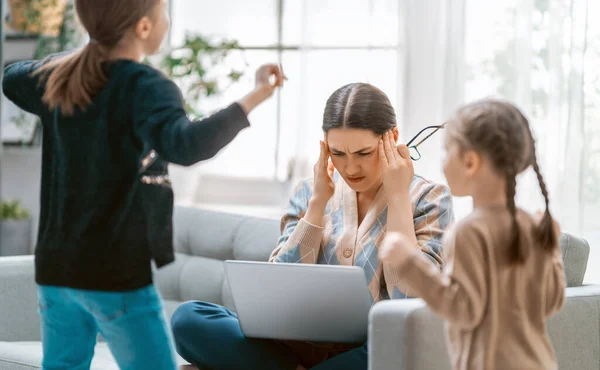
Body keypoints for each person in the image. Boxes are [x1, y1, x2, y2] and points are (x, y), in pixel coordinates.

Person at [1, 0, 284, 369]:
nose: (167, 21)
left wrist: (81, 57)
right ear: (144, 27)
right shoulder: (146, 86)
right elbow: (188, 144)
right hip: (114, 273)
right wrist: (255, 96)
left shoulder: (62, 77)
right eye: (164, 12)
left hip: (56, 269)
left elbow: (12, 77)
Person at [171, 82, 454, 370]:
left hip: (370, 349)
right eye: (339, 153)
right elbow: (277, 291)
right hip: (295, 345)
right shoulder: (309, 192)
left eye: (363, 153)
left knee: (396, 347)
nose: (351, 168)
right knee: (189, 318)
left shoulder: (430, 198)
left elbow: (411, 300)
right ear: (325, 146)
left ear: (392, 138)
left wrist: (397, 197)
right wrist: (318, 204)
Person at [379, 99, 566, 370]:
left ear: (469, 162)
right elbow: (551, 302)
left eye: (446, 151)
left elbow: (463, 309)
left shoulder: (468, 232)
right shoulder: (530, 226)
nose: (442, 161)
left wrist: (409, 262)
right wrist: (553, 252)